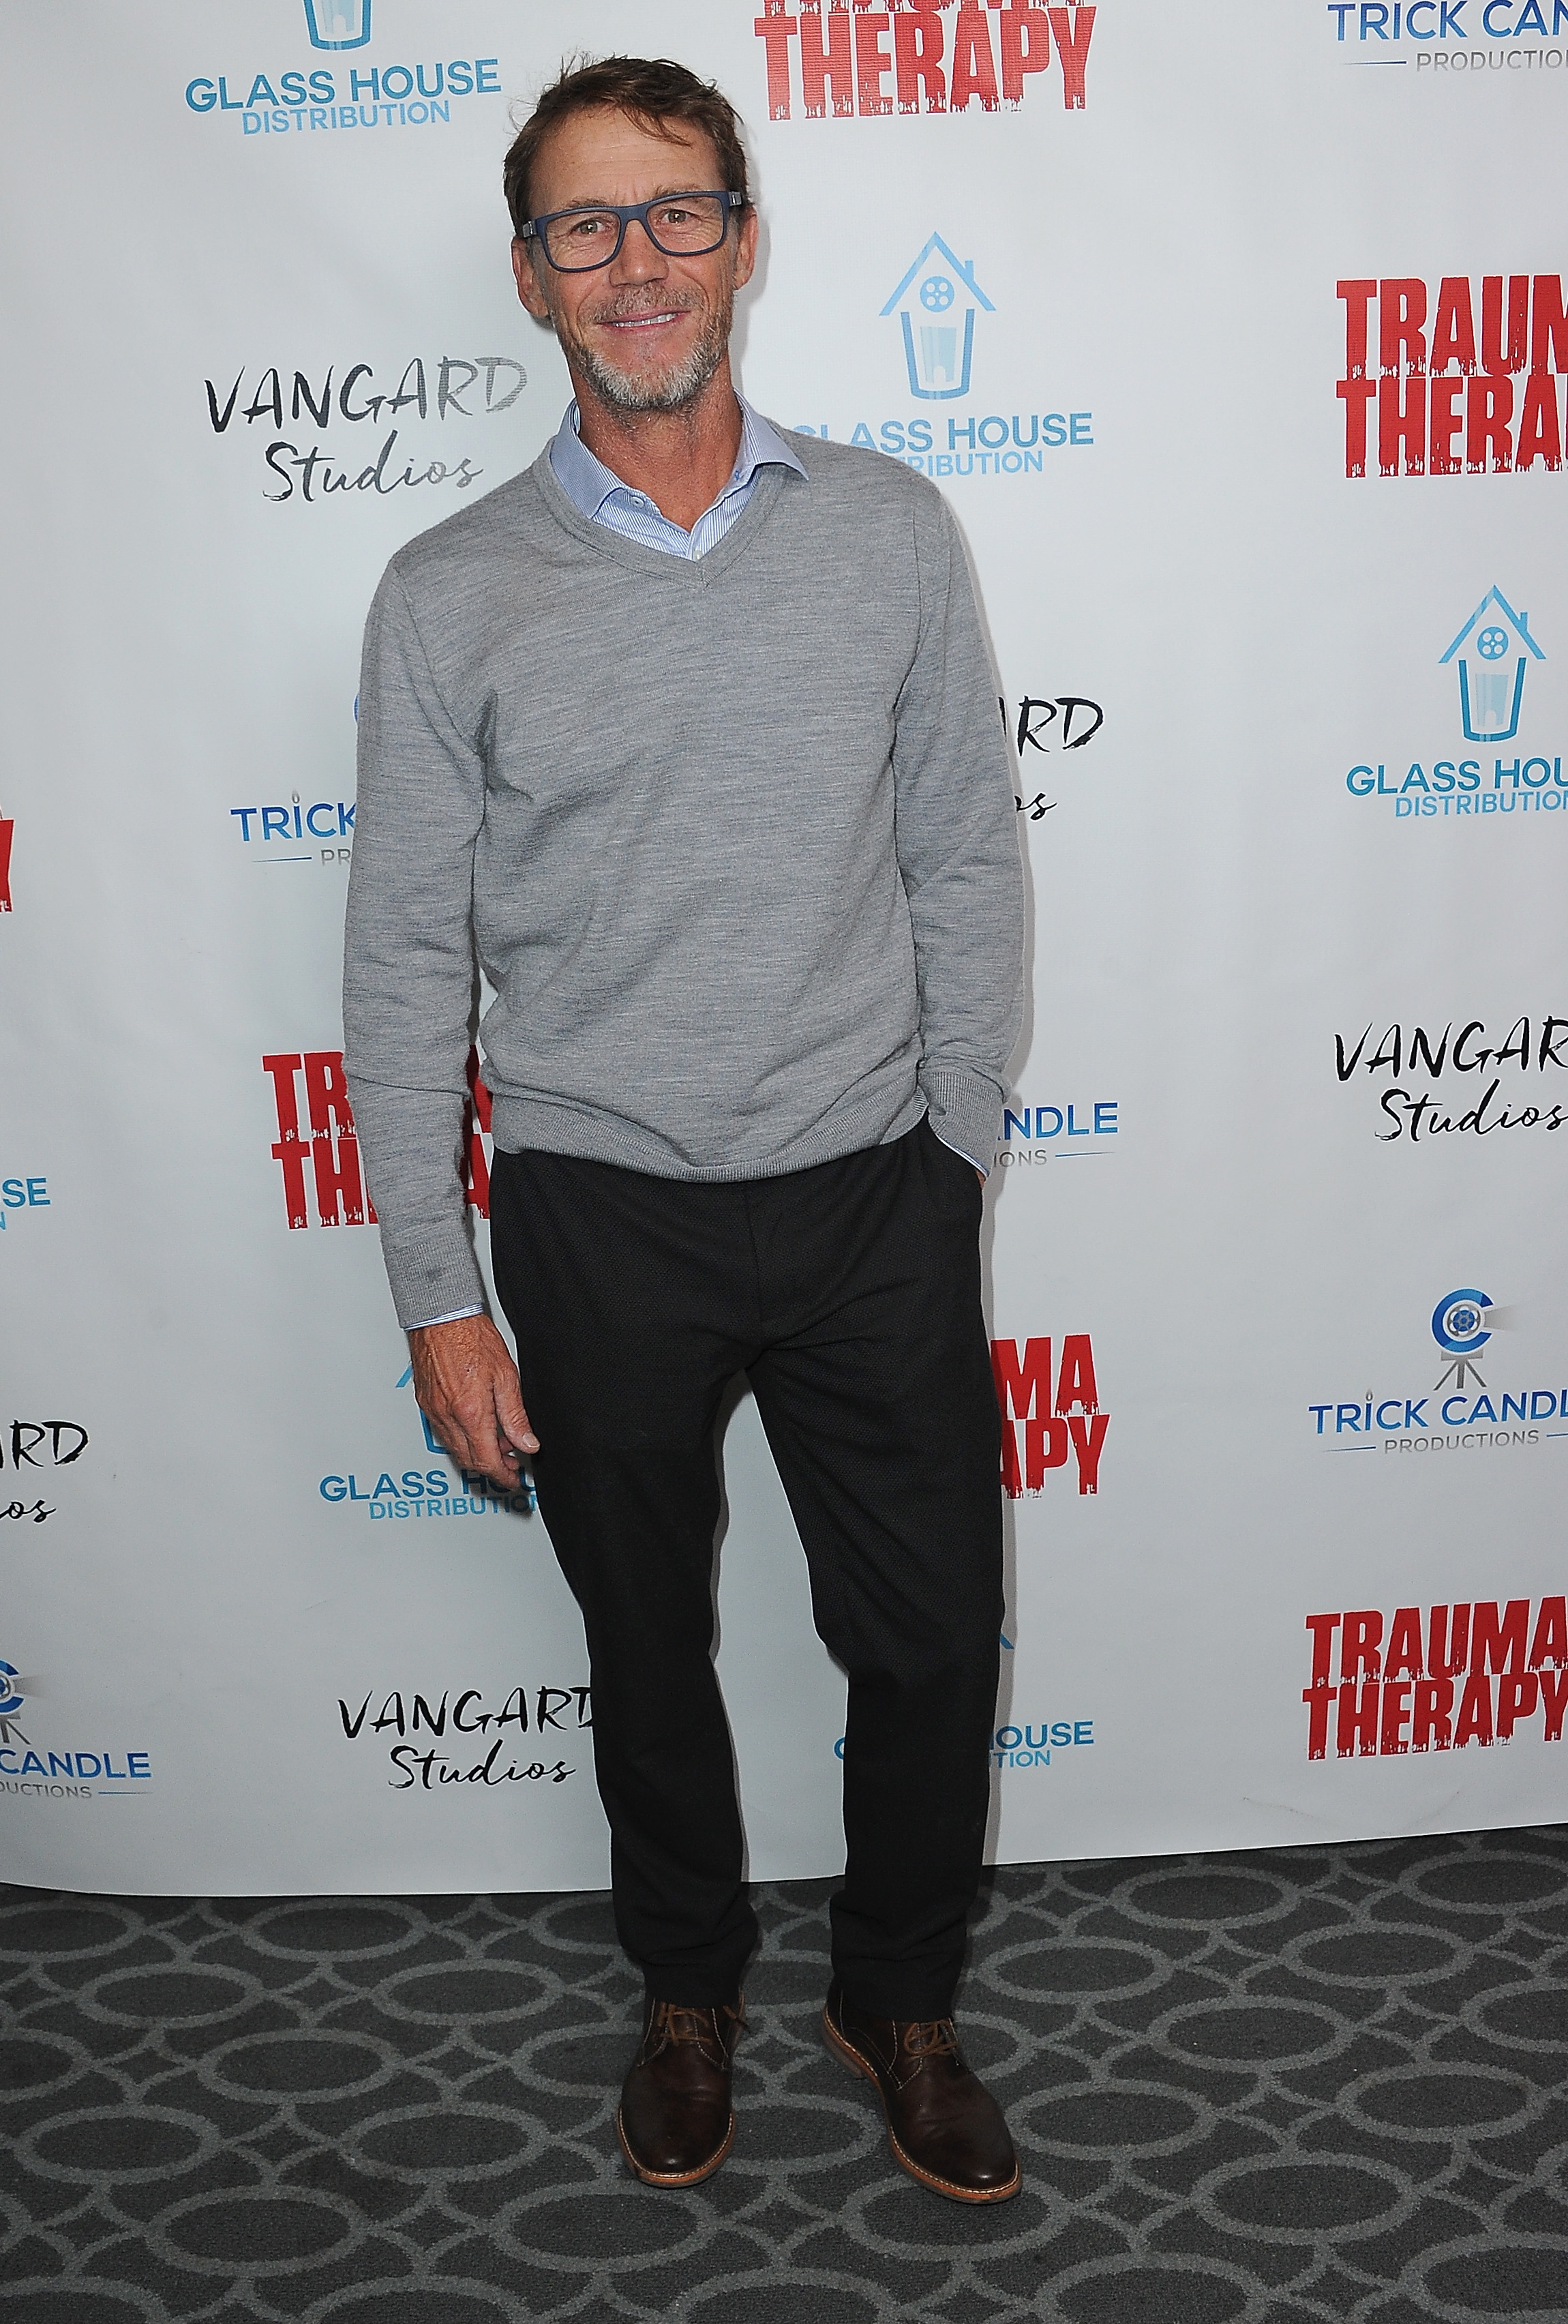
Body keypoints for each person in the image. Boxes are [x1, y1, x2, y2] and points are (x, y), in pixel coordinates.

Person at [342, 55, 1024, 2204]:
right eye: (585, 223)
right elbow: (402, 958)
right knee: (645, 1654)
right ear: (529, 276)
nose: (633, 260)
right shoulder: (445, 590)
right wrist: (438, 1292)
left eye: (674, 212)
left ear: (739, 240)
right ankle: (686, 1991)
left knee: (928, 1640)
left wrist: (954, 1153)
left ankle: (896, 1996)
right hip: (596, 1209)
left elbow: (964, 856)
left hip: (871, 1188)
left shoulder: (889, 528)